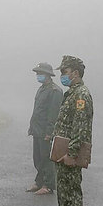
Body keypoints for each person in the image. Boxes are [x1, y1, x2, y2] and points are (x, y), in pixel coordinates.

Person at [48, 55, 94, 206]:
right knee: (64, 190)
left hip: (70, 151)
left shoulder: (81, 94)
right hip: (63, 149)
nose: (62, 76)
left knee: (72, 191)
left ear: (75, 73)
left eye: (64, 72)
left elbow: (80, 127)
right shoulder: (71, 93)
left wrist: (73, 153)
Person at [27, 63, 63, 195]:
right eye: (37, 73)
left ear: (48, 75)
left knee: (46, 158)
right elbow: (38, 111)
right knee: (37, 158)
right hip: (37, 129)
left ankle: (48, 185)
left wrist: (49, 132)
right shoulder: (42, 89)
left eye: (40, 73)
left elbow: (53, 113)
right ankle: (39, 181)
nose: (38, 76)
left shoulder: (55, 91)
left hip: (45, 131)